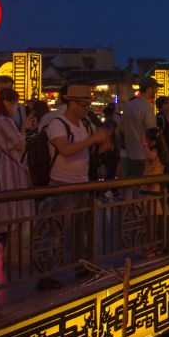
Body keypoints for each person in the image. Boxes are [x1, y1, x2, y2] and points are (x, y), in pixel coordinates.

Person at [42, 84, 112, 278]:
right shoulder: (58, 124)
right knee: (55, 230)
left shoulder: (84, 124)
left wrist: (102, 144)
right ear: (72, 103)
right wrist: (93, 140)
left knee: (80, 230)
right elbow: (65, 150)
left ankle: (80, 265)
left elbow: (87, 150)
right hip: (61, 184)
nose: (87, 108)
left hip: (81, 182)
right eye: (84, 104)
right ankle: (47, 273)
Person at [0, 88, 35, 231]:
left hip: (8, 166)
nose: (16, 107)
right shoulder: (4, 121)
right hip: (12, 168)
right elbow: (19, 144)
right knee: (14, 209)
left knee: (11, 207)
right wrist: (24, 129)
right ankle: (13, 248)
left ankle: (11, 245)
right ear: (6, 102)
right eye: (14, 103)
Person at [120, 76, 159, 178]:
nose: (156, 91)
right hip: (142, 154)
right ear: (149, 89)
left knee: (129, 186)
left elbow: (121, 129)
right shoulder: (146, 107)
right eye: (155, 89)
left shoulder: (128, 106)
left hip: (127, 153)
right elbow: (152, 133)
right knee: (141, 187)